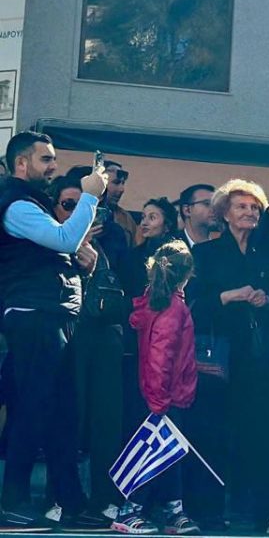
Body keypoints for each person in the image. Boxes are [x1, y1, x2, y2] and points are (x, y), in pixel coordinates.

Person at [0, 131, 107, 530]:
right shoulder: (17, 204)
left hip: (51, 316)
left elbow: (60, 246)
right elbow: (64, 236)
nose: (53, 167)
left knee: (62, 412)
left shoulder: (29, 204)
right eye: (46, 159)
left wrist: (80, 260)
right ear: (21, 164)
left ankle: (70, 503)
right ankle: (12, 502)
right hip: (34, 317)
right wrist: (91, 196)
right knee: (33, 408)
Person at [187, 170, 269, 531]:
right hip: (218, 354)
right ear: (225, 213)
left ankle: (258, 512)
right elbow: (192, 304)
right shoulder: (205, 253)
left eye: (254, 207)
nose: (249, 212)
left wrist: (265, 300)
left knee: (260, 433)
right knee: (214, 432)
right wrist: (228, 296)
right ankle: (209, 511)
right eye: (242, 206)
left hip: (258, 356)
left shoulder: (268, 252)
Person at [50, 173, 127, 527]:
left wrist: (96, 264)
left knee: (105, 421)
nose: (78, 212)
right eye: (69, 205)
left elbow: (125, 295)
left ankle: (104, 498)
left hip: (103, 340)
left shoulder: (113, 238)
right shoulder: (44, 237)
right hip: (60, 337)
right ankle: (63, 497)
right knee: (65, 418)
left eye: (85, 205)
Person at [114, 240, 201, 535]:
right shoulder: (173, 307)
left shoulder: (154, 302)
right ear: (187, 274)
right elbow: (160, 358)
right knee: (156, 454)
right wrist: (160, 401)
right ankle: (132, 510)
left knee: (168, 454)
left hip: (157, 394)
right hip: (165, 396)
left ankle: (171, 510)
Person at [103, 160, 138, 247]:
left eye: (123, 183)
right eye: (116, 182)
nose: (122, 189)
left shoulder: (126, 219)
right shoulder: (82, 212)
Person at [177, 184, 217, 248]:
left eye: (215, 205)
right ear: (187, 210)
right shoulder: (171, 249)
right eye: (207, 203)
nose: (214, 209)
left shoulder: (222, 247)